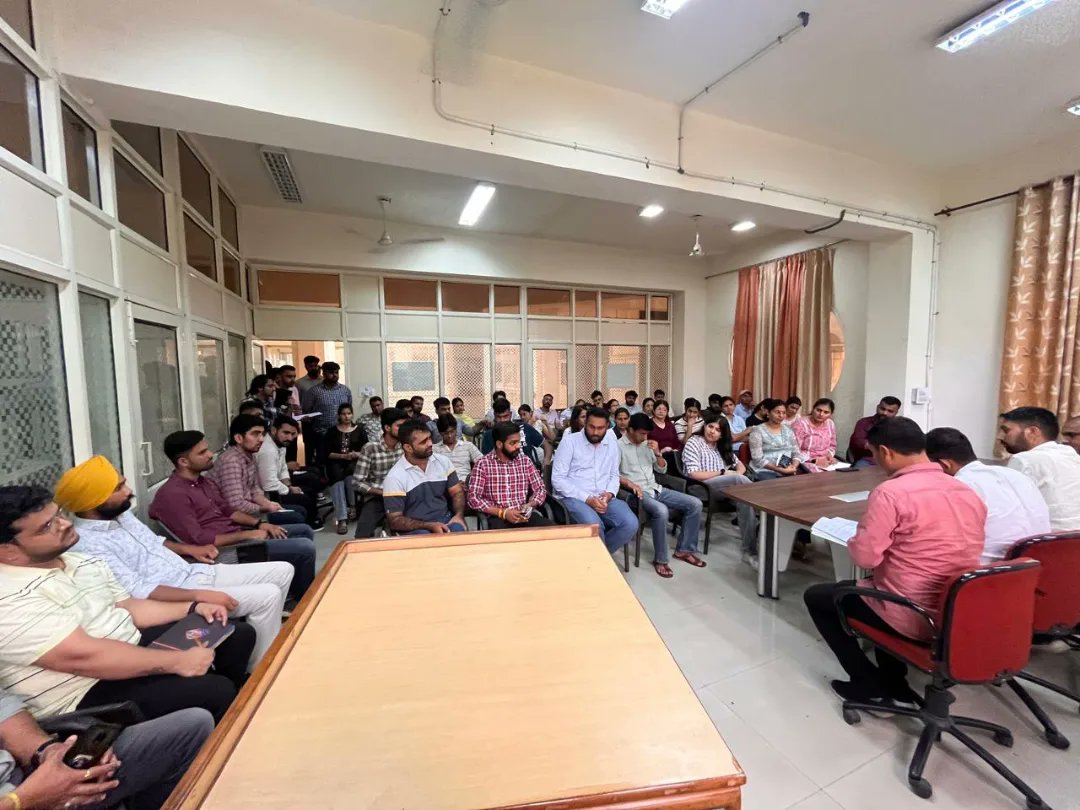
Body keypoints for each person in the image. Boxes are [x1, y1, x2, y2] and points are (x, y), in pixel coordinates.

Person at [0, 485, 256, 722]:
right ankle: (226, 731)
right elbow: (81, 657)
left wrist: (192, 607)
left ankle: (233, 711)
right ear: (7, 551)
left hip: (127, 645)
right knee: (215, 691)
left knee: (236, 634)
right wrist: (177, 662)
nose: (65, 524)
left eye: (58, 515)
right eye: (47, 526)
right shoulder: (10, 597)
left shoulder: (80, 561)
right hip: (83, 689)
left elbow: (129, 606)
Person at [803, 417, 985, 705]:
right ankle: (894, 681)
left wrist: (861, 537)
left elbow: (864, 556)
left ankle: (866, 683)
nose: (875, 461)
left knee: (819, 597)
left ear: (885, 452)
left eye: (874, 454)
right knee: (881, 584)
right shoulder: (965, 490)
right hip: (959, 611)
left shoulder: (891, 492)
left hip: (912, 612)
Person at [57, 457, 292, 667]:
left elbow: (154, 542)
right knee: (267, 596)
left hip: (192, 571)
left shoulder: (120, 515)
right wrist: (199, 595)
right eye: (118, 488)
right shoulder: (88, 544)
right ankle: (259, 668)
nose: (128, 491)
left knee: (283, 570)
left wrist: (189, 549)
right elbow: (139, 590)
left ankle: (266, 637)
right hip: (179, 593)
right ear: (94, 500)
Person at [150, 431, 316, 601]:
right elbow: (199, 540)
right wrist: (247, 535)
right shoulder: (173, 494)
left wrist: (259, 524)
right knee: (304, 548)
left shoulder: (201, 482)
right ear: (183, 461)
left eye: (207, 449)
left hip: (237, 534)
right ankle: (303, 602)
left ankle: (291, 593)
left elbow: (227, 510)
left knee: (303, 531)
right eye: (202, 452)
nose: (210, 455)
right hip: (228, 551)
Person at [0, 688, 212, 810]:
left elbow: (4, 706)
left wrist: (45, 751)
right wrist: (23, 800)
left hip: (22, 776)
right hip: (21, 799)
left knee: (192, 728)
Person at [926, 427, 1050, 562]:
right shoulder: (1015, 475)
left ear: (944, 464)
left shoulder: (959, 486)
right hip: (1037, 563)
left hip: (989, 569)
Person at [619, 413, 704, 577]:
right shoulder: (617, 447)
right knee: (661, 510)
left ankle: (684, 550)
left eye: (647, 434)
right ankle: (661, 560)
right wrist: (630, 484)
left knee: (695, 504)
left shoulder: (648, 445)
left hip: (656, 488)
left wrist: (658, 453)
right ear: (630, 430)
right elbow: (612, 475)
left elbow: (661, 469)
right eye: (642, 433)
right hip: (637, 493)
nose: (645, 437)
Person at [552, 407, 638, 555]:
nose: (595, 432)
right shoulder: (570, 442)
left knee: (630, 523)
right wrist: (588, 499)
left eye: (600, 428)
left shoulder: (611, 443)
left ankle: (599, 557)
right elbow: (558, 479)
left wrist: (609, 494)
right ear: (585, 423)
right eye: (592, 427)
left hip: (603, 497)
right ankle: (601, 562)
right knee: (596, 526)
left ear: (607, 426)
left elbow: (614, 475)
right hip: (573, 497)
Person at [209, 414, 315, 530]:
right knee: (299, 520)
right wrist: (263, 508)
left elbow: (254, 489)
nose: (261, 439)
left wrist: (268, 504)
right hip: (235, 521)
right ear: (238, 438)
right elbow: (235, 505)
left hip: (252, 510)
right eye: (255, 434)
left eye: (262, 434)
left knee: (300, 512)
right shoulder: (231, 462)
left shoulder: (250, 455)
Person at [682, 413, 758, 568]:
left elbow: (741, 466)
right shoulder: (694, 442)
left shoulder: (721, 446)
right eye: (710, 426)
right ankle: (762, 508)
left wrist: (736, 474)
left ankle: (750, 550)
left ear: (722, 434)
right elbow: (693, 474)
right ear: (704, 426)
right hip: (700, 487)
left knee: (745, 500)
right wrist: (723, 473)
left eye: (718, 430)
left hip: (724, 487)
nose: (712, 431)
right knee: (740, 483)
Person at [999, 406, 1080, 531]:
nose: (1000, 437)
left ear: (1032, 432)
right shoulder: (1073, 456)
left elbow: (1008, 511)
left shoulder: (1024, 460)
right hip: (1073, 539)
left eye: (1006, 430)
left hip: (1046, 539)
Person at [382, 420, 467, 534]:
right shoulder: (395, 477)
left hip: (446, 521)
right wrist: (430, 526)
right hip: (416, 529)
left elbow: (457, 492)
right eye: (423, 442)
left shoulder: (443, 462)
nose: (430, 443)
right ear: (408, 447)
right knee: (428, 539)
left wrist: (458, 515)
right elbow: (395, 520)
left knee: (460, 533)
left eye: (429, 438)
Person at [468, 422, 552, 529]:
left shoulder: (525, 461)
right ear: (499, 444)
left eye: (519, 442)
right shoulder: (483, 464)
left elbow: (540, 489)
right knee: (504, 536)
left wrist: (531, 504)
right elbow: (473, 498)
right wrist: (503, 512)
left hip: (523, 514)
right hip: (498, 517)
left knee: (551, 531)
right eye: (513, 443)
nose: (518, 446)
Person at [255, 416, 320, 527]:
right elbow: (269, 484)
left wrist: (289, 485)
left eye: (292, 434)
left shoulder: (281, 444)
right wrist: (289, 490)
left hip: (276, 485)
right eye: (285, 433)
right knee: (304, 497)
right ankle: (309, 523)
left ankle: (311, 521)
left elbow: (283, 468)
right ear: (274, 430)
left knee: (310, 484)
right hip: (268, 495)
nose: (289, 438)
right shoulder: (268, 451)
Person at [352, 407, 408, 538]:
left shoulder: (406, 446)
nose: (404, 430)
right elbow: (357, 483)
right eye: (399, 426)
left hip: (403, 496)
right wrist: (382, 492)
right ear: (387, 428)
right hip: (377, 497)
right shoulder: (370, 448)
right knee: (362, 536)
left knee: (412, 530)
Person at [322, 403, 367, 534]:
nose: (346, 416)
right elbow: (326, 453)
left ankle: (353, 506)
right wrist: (343, 456)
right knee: (337, 479)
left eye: (349, 413)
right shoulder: (332, 431)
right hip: (335, 462)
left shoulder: (360, 430)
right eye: (343, 414)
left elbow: (366, 451)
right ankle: (342, 517)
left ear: (352, 415)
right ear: (339, 416)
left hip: (354, 463)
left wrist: (356, 454)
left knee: (351, 476)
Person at [300, 361, 351, 466]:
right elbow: (307, 411)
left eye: (336, 372)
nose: (334, 375)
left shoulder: (345, 390)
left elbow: (348, 409)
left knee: (340, 462)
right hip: (321, 433)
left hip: (341, 433)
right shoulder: (314, 391)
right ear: (323, 373)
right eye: (331, 372)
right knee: (322, 461)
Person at [748, 399, 803, 480]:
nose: (781, 415)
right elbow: (757, 459)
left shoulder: (788, 430)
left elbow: (796, 453)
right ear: (768, 413)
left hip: (787, 468)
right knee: (779, 484)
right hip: (764, 470)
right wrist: (780, 470)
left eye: (784, 413)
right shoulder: (757, 431)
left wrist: (793, 467)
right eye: (777, 412)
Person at [480, 399, 544, 466]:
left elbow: (546, 446)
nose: (502, 420)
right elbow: (487, 462)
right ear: (494, 415)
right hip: (500, 470)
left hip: (527, 468)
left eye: (505, 416)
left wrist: (546, 464)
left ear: (510, 414)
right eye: (499, 417)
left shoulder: (524, 427)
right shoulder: (488, 435)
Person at [848, 396, 902, 466]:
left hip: (892, 461)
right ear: (877, 407)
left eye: (890, 411)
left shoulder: (899, 426)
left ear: (896, 412)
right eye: (882, 409)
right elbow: (858, 442)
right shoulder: (864, 422)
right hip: (868, 460)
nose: (885, 413)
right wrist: (882, 447)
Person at [434, 413, 483, 482]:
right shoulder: (434, 449)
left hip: (466, 483)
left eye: (452, 431)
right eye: (446, 433)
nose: (450, 436)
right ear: (440, 433)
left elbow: (483, 463)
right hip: (444, 485)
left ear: (456, 430)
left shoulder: (468, 446)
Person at [792, 398, 838, 470]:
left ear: (830, 414)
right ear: (813, 409)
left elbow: (832, 445)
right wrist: (814, 460)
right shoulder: (801, 424)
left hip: (826, 461)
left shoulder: (830, 424)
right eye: (818, 410)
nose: (821, 414)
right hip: (805, 462)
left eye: (826, 412)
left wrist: (830, 456)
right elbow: (794, 449)